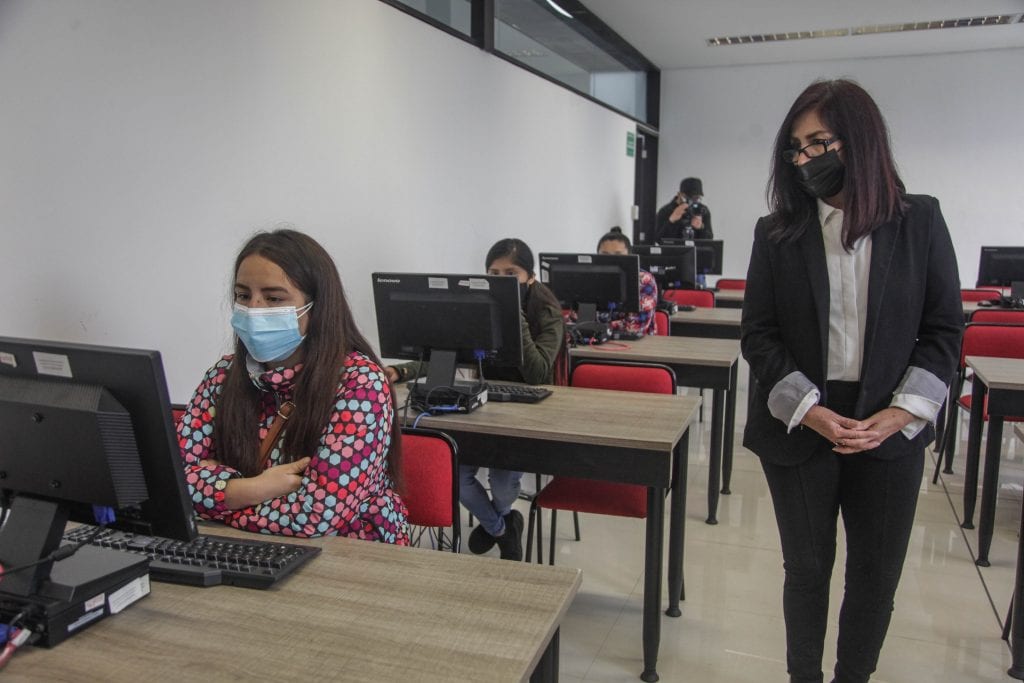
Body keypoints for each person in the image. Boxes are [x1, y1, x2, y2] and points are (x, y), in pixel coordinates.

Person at [741, 79, 962, 683]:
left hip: (889, 423)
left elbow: (944, 330)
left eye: (818, 143)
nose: (805, 159)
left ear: (859, 140)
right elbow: (759, 334)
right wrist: (808, 408)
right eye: (796, 149)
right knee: (807, 571)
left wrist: (902, 413)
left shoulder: (919, 220)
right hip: (800, 420)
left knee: (875, 577)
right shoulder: (777, 231)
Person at [178, 229, 409, 544]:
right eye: (243, 296)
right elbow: (170, 479)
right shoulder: (223, 375)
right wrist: (250, 490)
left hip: (349, 554)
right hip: (246, 548)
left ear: (317, 306)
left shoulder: (360, 383)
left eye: (273, 298)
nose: (254, 309)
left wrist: (215, 499)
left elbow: (316, 516)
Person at [386, 238, 565, 561]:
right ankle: (503, 527)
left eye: (511, 274)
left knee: (502, 484)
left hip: (527, 410)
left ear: (530, 277)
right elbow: (448, 352)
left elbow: (538, 372)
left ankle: (496, 522)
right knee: (458, 476)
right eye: (494, 274)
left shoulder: (547, 311)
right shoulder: (477, 303)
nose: (502, 280)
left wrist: (514, 317)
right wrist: (402, 371)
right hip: (480, 403)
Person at [594, 227, 658, 337]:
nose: (611, 260)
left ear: (629, 256)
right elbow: (576, 318)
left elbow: (635, 326)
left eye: (618, 254)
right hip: (594, 340)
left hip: (637, 344)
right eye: (605, 255)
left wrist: (592, 326)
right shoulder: (592, 278)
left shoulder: (644, 280)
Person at [655, 176, 713, 241]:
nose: (692, 201)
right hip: (674, 247)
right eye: (688, 197)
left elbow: (710, 240)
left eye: (696, 198)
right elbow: (658, 239)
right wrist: (671, 221)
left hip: (696, 247)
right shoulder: (665, 210)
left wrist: (701, 227)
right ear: (679, 194)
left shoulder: (702, 210)